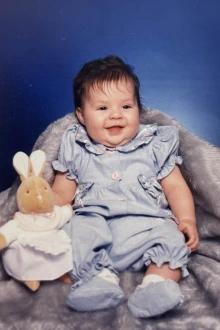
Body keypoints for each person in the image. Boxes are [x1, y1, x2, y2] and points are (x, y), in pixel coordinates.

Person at [52, 55, 199, 318]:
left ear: (138, 111)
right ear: (81, 116)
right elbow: (63, 190)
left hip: (146, 224)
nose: (116, 115)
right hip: (95, 223)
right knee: (74, 233)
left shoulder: (154, 144)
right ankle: (99, 279)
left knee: (171, 238)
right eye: (102, 109)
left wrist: (187, 218)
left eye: (126, 106)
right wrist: (48, 213)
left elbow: (175, 186)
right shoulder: (77, 146)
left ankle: (156, 284)